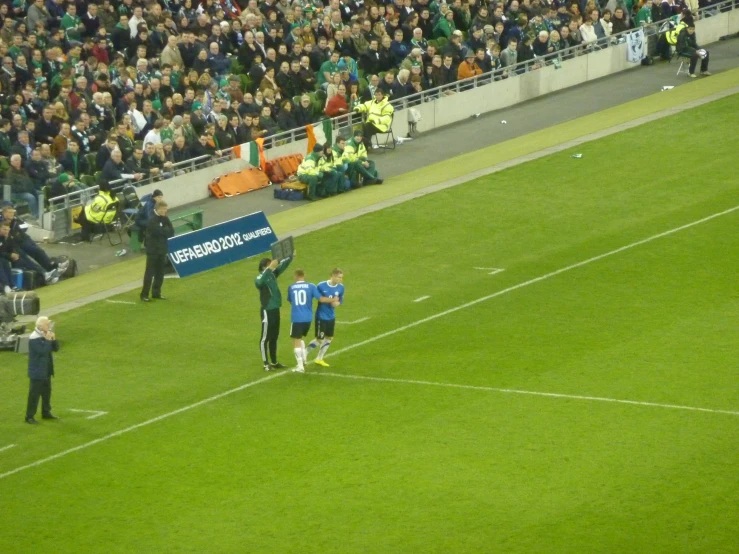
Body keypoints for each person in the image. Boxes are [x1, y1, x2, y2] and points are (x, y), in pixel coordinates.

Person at [255, 252, 293, 371]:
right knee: (264, 338)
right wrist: (270, 268)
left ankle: (274, 361)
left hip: (275, 309)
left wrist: (290, 257)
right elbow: (259, 282)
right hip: (267, 310)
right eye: (269, 263)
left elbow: (282, 267)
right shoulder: (260, 277)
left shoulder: (271, 275)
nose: (273, 265)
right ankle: (266, 363)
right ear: (264, 266)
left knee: (274, 337)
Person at [286, 269, 323, 372]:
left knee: (296, 340)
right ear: (303, 275)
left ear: (295, 276)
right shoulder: (311, 286)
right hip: (308, 318)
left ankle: (300, 366)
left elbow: (290, 300)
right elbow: (319, 298)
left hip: (297, 317)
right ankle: (304, 359)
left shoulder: (291, 287)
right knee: (300, 339)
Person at [25, 316, 60, 424]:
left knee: (46, 392)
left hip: (46, 370)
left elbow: (56, 349)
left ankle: (46, 412)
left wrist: (53, 340)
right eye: (47, 324)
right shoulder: (34, 338)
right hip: (37, 371)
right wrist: (48, 340)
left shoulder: (45, 335)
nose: (49, 326)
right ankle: (29, 416)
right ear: (40, 326)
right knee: (34, 395)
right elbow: (42, 351)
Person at [307, 268, 344, 367]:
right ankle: (304, 354)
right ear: (333, 276)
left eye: (341, 277)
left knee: (329, 338)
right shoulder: (321, 285)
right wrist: (331, 300)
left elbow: (340, 300)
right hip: (321, 316)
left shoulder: (341, 287)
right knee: (319, 339)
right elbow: (319, 298)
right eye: (339, 277)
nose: (341, 279)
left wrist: (337, 303)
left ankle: (319, 358)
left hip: (331, 316)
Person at [140, 200, 174, 302]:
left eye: (166, 209)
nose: (165, 211)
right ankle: (144, 294)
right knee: (149, 273)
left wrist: (164, 230)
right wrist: (164, 230)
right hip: (153, 250)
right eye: (163, 209)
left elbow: (171, 231)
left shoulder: (165, 218)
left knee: (160, 272)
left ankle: (156, 293)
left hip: (162, 249)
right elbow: (158, 232)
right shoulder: (152, 220)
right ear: (157, 209)